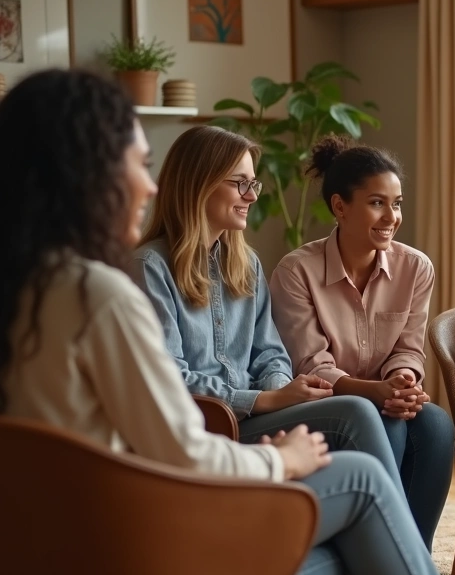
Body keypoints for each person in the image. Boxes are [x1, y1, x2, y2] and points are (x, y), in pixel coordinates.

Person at [0, 68, 444, 575]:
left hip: (54, 548)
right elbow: (183, 448)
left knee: (341, 553)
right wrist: (279, 458)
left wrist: (279, 393)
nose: (149, 186)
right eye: (140, 165)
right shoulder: (100, 295)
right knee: (361, 485)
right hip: (136, 543)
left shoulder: (7, 291)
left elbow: (266, 356)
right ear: (85, 174)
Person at [128, 125, 402, 487]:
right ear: (199, 183)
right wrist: (265, 399)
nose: (252, 196)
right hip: (205, 432)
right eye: (239, 183)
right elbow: (170, 380)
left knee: (402, 421)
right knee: (355, 412)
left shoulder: (246, 264)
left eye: (252, 184)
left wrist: (287, 393)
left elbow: (270, 354)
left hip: (255, 417)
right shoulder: (150, 266)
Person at [270, 135, 455, 550]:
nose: (391, 216)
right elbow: (309, 364)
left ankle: (413, 553)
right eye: (377, 203)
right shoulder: (296, 271)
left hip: (386, 396)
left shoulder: (415, 268)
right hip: (327, 404)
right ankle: (381, 552)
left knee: (438, 427)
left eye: (398, 203)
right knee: (383, 421)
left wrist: (404, 381)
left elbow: (408, 348)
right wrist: (375, 392)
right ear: (340, 206)